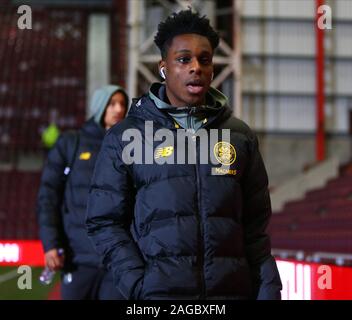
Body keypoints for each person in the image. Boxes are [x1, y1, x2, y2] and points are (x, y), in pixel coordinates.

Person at [86, 10, 282, 300]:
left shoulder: (239, 136)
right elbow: (104, 221)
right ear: (163, 67)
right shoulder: (125, 137)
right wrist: (140, 285)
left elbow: (254, 229)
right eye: (184, 59)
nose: (196, 68)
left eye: (204, 59)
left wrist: (268, 290)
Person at [36, 85, 128, 300]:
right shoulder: (71, 143)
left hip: (117, 261)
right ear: (99, 106)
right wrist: (51, 244)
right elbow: (48, 197)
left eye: (122, 104)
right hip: (78, 259)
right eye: (112, 103)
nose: (118, 109)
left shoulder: (130, 148)